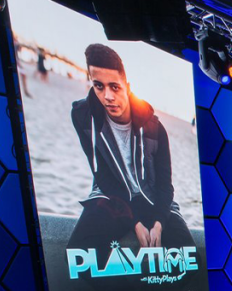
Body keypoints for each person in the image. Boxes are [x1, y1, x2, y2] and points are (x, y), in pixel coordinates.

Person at [68, 43, 194, 259]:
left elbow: (165, 185)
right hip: (112, 197)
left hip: (153, 197)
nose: (107, 96)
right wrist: (134, 221)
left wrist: (158, 223)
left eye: (114, 87)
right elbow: (102, 176)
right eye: (99, 86)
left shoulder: (155, 128)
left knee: (189, 259)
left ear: (127, 85)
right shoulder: (82, 117)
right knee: (78, 254)